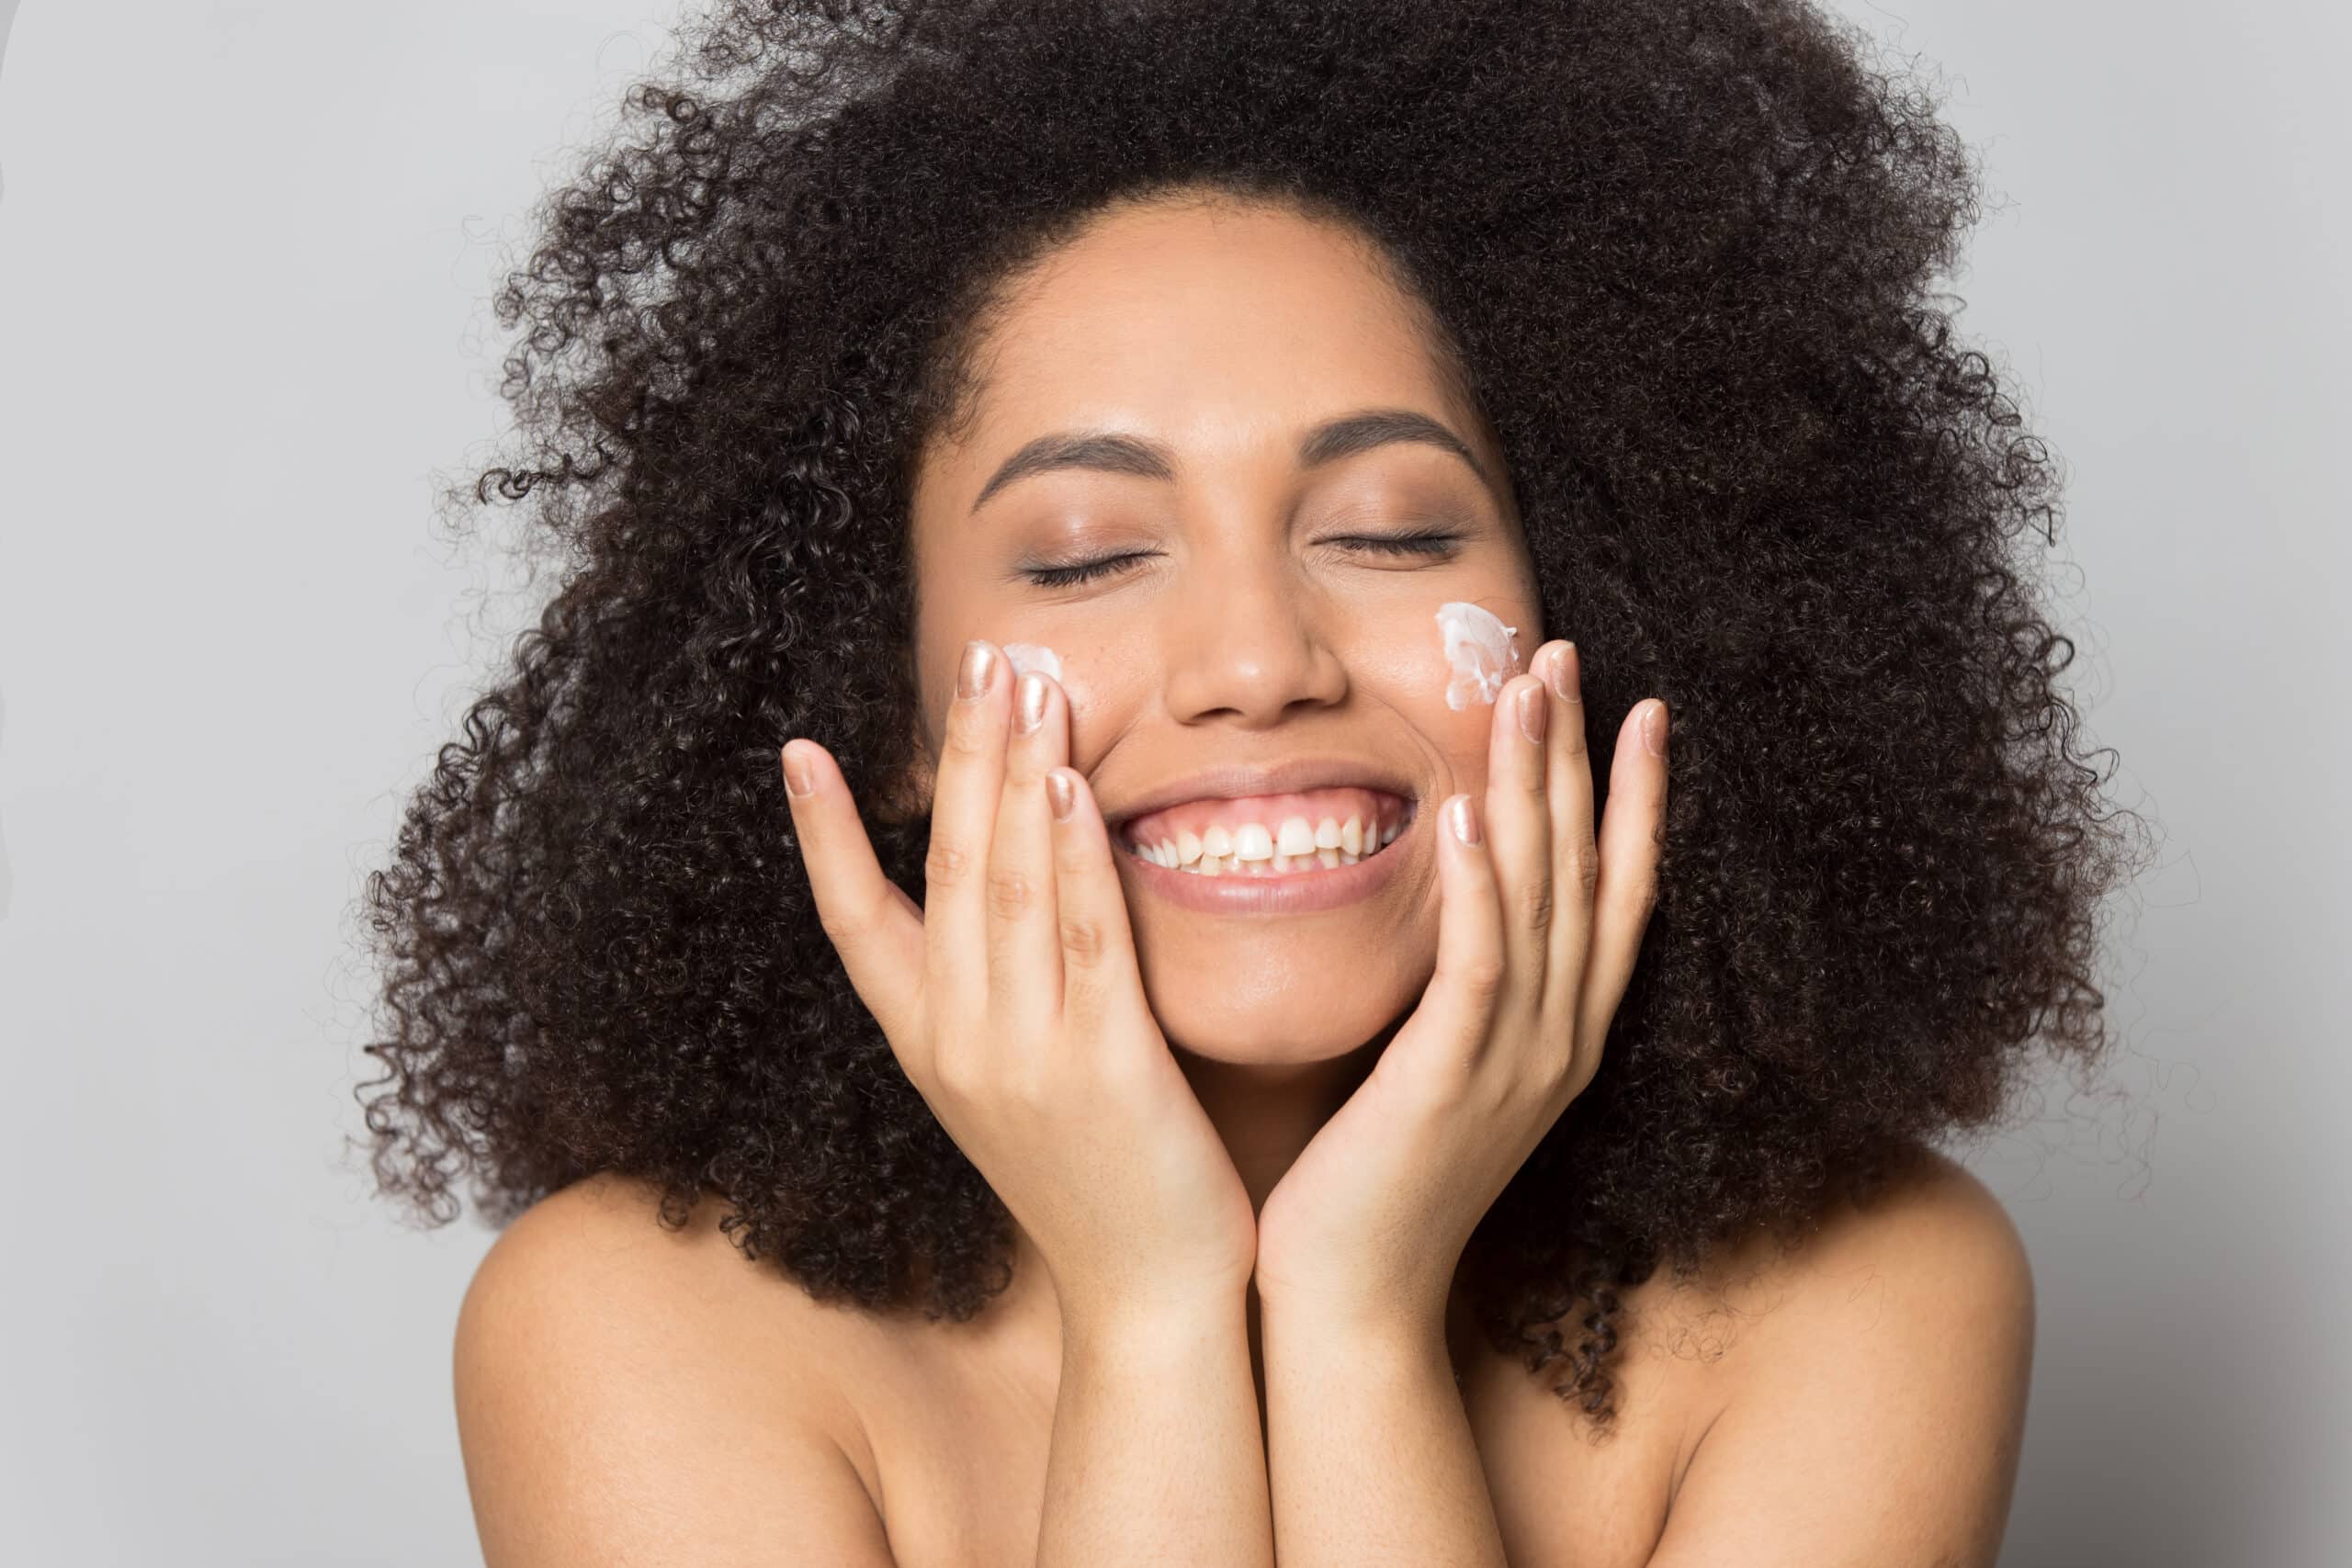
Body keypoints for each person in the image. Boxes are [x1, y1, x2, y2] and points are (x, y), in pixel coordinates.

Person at [355, 1, 2152, 1562]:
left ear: (1592, 614)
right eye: (1079, 556)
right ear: (879, 703)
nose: (1255, 658)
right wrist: (1151, 1312)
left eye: (1387, 527)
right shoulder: (630, 1333)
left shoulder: (1866, 1298)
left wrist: (1353, 1311)